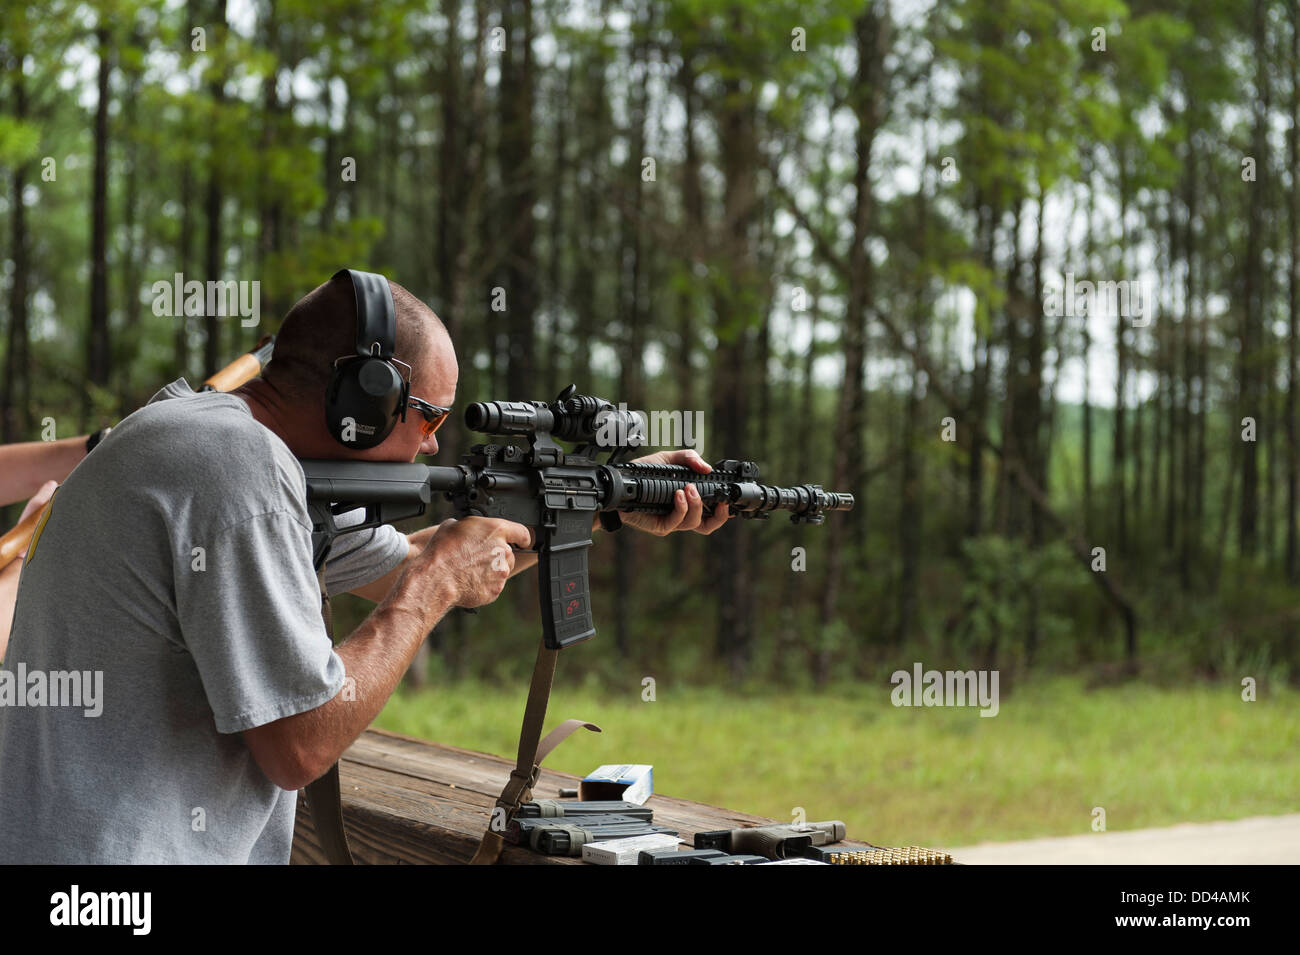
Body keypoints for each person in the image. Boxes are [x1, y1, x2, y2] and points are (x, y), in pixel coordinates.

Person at [0, 271, 727, 863]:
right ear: (367, 401)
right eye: (431, 417)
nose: (434, 447)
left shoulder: (191, 431)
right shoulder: (237, 472)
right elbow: (300, 743)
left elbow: (401, 561)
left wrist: (604, 502)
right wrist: (436, 583)